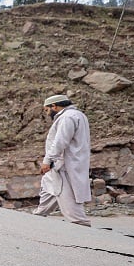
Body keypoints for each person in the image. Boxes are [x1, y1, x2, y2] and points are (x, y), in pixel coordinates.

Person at [33, 94, 92, 226]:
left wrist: (47, 161)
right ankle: (38, 216)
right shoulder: (77, 115)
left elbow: (60, 142)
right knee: (48, 188)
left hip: (63, 163)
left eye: (47, 110)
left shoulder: (67, 117)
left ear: (54, 106)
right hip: (65, 162)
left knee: (66, 194)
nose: (47, 114)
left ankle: (81, 223)